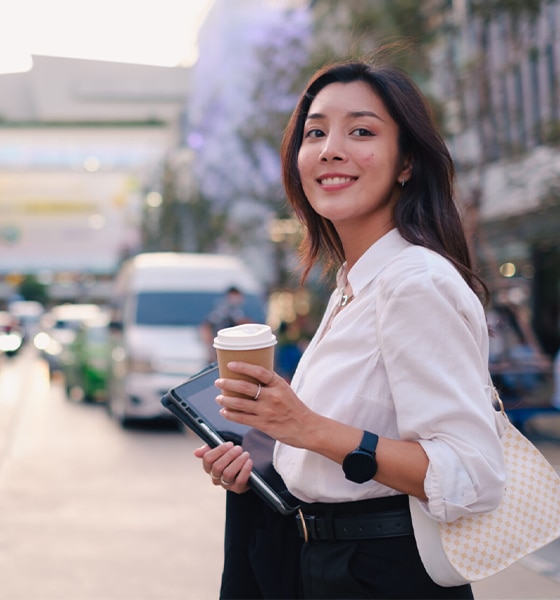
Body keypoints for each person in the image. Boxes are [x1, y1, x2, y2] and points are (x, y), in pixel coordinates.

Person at [194, 50, 505, 599]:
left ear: (406, 163)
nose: (331, 149)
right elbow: (338, 448)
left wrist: (306, 427)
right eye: (314, 134)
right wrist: (264, 458)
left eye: (361, 131)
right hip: (319, 558)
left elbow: (472, 475)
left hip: (381, 574)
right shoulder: (353, 284)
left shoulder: (413, 283)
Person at [200, 286, 251, 360]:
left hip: (219, 338)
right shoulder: (227, 307)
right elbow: (241, 321)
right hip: (216, 336)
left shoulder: (231, 307)